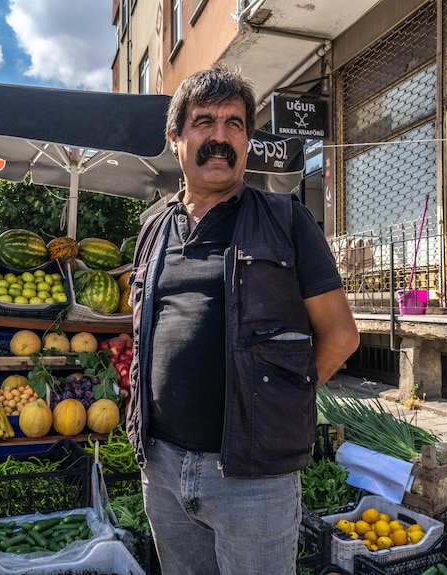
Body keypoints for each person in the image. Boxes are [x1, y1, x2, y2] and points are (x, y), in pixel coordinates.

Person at [125, 63, 360, 575]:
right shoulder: (152, 230)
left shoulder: (286, 219)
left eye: (234, 125)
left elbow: (341, 336)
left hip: (253, 478)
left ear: (248, 141)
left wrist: (279, 397)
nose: (220, 137)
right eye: (204, 122)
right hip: (163, 467)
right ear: (175, 139)